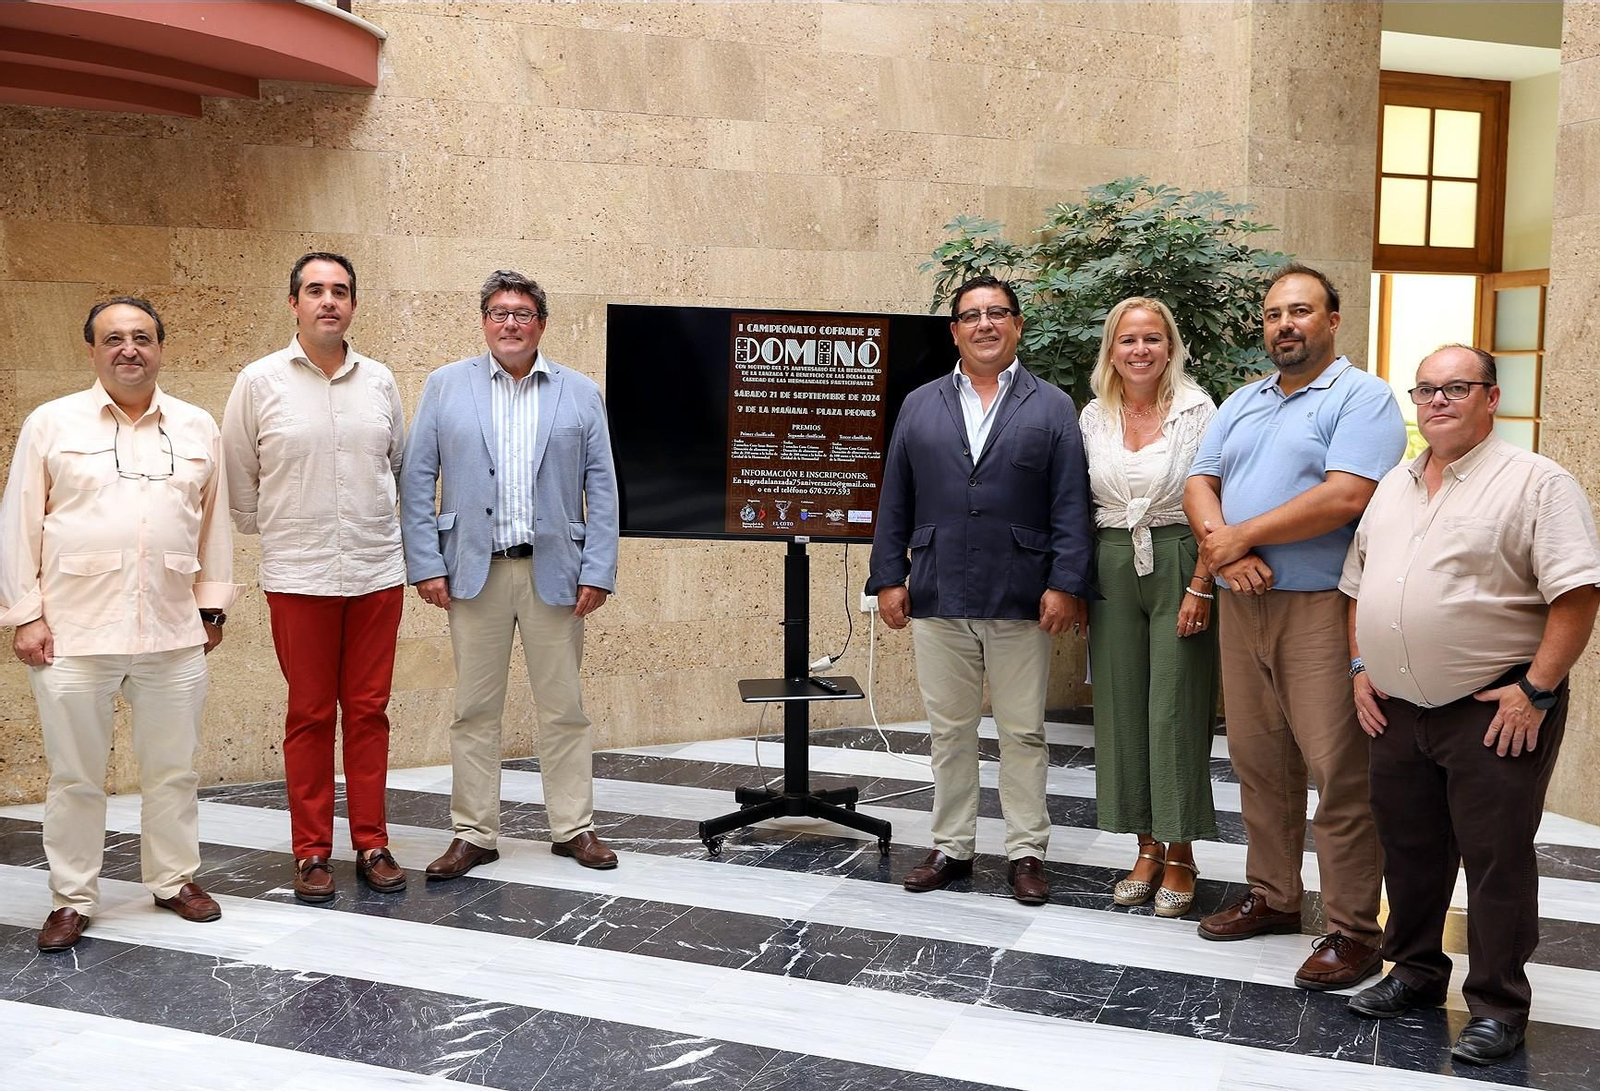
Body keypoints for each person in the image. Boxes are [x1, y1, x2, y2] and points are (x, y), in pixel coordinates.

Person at [1342, 345, 1600, 1065]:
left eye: (1456, 387)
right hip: (1395, 708)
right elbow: (1358, 586)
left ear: (1491, 396)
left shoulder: (1536, 483)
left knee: (1495, 859)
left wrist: (1536, 689)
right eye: (1426, 389)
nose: (1438, 401)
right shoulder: (1394, 484)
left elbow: (1577, 595)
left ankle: (1497, 1004)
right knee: (1411, 850)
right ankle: (1417, 972)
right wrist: (1362, 665)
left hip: (1493, 709)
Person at [1184, 263, 1405, 990]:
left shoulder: (1361, 397)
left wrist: (1233, 538)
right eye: (1275, 312)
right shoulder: (1244, 400)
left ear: (1333, 319)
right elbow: (1199, 480)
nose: (1285, 323)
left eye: (1301, 310)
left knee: (1338, 772)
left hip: (1318, 607)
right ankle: (1273, 895)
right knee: (1257, 760)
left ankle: (1350, 929)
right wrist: (1222, 545)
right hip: (1244, 606)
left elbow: (1346, 495)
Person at [0, 297, 240, 950]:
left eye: (142, 336)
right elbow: (17, 524)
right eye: (114, 338)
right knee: (75, 775)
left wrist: (211, 606)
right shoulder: (52, 424)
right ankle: (72, 897)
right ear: (92, 350)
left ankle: (174, 880)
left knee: (173, 769)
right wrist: (25, 616)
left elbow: (215, 521)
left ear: (161, 347)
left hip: (171, 631)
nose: (128, 348)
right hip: (72, 635)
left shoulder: (196, 427)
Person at [867, 273, 1095, 906]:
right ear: (955, 331)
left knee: (1023, 732)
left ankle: (1026, 852)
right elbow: (896, 499)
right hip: (938, 588)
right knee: (950, 731)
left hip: (1023, 594)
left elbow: (1069, 504)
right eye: (972, 316)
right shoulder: (919, 404)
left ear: (1018, 326)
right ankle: (952, 846)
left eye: (998, 314)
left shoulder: (1051, 406)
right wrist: (888, 577)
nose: (986, 324)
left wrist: (1064, 583)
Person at [400, 269, 620, 878]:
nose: (510, 323)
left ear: (542, 325)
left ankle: (574, 828)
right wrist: (425, 561)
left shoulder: (579, 393)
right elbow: (417, 478)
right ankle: (474, 833)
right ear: (484, 322)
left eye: (523, 313)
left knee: (565, 709)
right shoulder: (445, 387)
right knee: (474, 711)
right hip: (473, 573)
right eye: (498, 312)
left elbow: (602, 487)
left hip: (556, 573)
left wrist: (597, 568)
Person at [221, 252, 408, 904]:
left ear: (353, 304)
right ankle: (311, 852)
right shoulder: (259, 381)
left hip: (375, 570)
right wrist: (268, 526)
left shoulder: (380, 382)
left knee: (368, 712)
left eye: (340, 291)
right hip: (299, 575)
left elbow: (401, 467)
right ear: (294, 303)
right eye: (315, 290)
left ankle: (373, 841)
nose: (328, 300)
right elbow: (238, 470)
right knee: (307, 714)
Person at [1079, 297, 1217, 917]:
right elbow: (1074, 503)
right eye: (1128, 340)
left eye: (1152, 340)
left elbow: (1217, 497)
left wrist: (1203, 582)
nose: (1140, 351)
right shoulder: (1092, 416)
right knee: (1121, 707)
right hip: (1110, 561)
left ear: (1171, 347)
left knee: (1174, 709)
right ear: (1112, 349)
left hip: (1179, 557)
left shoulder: (1197, 409)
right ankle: (1145, 847)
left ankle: (1181, 853)